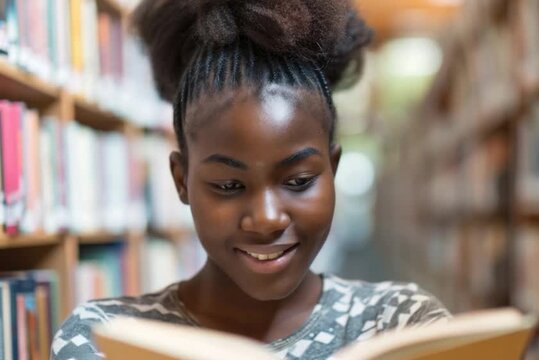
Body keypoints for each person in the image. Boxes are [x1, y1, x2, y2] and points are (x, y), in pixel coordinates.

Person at [51, 1, 451, 359]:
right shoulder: (102, 339)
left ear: (333, 169)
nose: (266, 218)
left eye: (298, 181)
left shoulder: (404, 323)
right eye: (228, 186)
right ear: (181, 180)